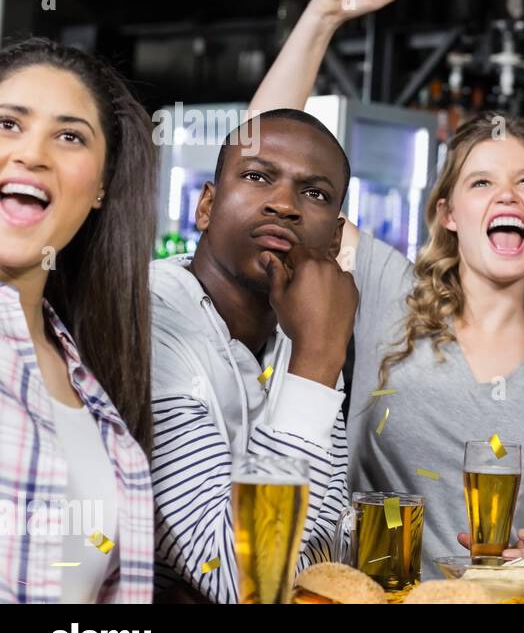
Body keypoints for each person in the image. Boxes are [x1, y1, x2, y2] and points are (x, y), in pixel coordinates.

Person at [250, 0, 524, 581]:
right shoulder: (384, 286)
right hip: (355, 594)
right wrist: (321, 19)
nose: (508, 196)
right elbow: (263, 156)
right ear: (448, 213)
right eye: (482, 182)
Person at [149, 108, 358, 603]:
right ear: (207, 206)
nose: (284, 204)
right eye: (258, 176)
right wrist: (318, 361)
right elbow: (244, 579)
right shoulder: (148, 317)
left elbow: (329, 547)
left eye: (314, 193)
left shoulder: (306, 329)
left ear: (333, 239)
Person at [0, 38, 156, 603]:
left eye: (69, 136)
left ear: (101, 188)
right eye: (8, 123)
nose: (32, 154)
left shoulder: (87, 375)